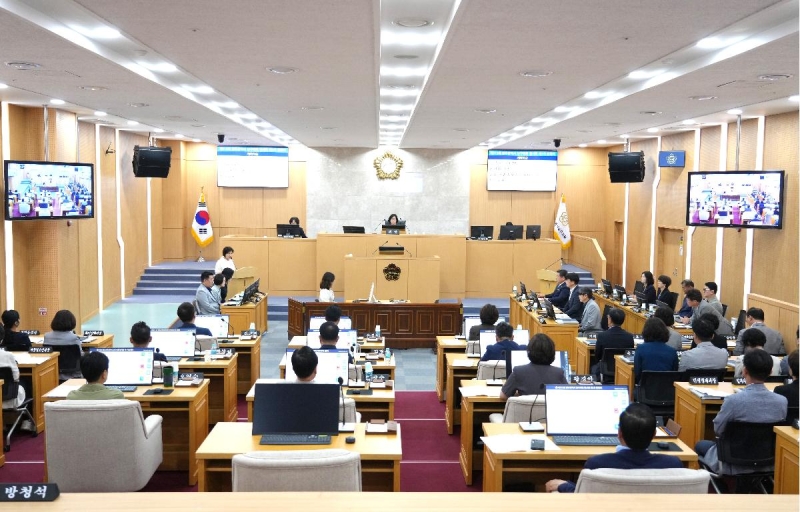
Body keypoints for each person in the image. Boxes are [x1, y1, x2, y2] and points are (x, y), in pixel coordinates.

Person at [546, 403, 683, 493]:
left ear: (619, 433)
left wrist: (564, 485)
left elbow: (584, 495)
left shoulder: (597, 464)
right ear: (654, 435)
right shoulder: (673, 465)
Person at [695, 350, 788, 476]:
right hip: (768, 461)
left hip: (733, 461)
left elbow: (718, 430)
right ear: (771, 372)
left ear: (744, 371)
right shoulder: (782, 401)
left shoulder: (733, 400)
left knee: (701, 445)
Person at [500, 334, 567, 400]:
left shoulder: (518, 372)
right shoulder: (559, 373)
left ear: (529, 352)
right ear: (552, 353)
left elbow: (503, 396)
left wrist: (519, 396)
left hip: (525, 407)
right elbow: (568, 395)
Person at [592, 308, 634, 378]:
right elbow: (629, 355)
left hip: (605, 370)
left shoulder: (602, 336)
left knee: (593, 366)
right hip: (623, 371)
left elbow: (597, 355)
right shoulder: (629, 337)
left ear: (610, 319)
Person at [633, 317, 678, 382]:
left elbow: (637, 373)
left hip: (645, 386)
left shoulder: (640, 349)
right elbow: (674, 373)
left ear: (646, 332)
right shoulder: (672, 351)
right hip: (667, 387)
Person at [0, 344, 27, 408]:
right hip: (8, 396)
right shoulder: (7, 355)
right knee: (27, 382)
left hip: (6, 394)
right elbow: (16, 377)